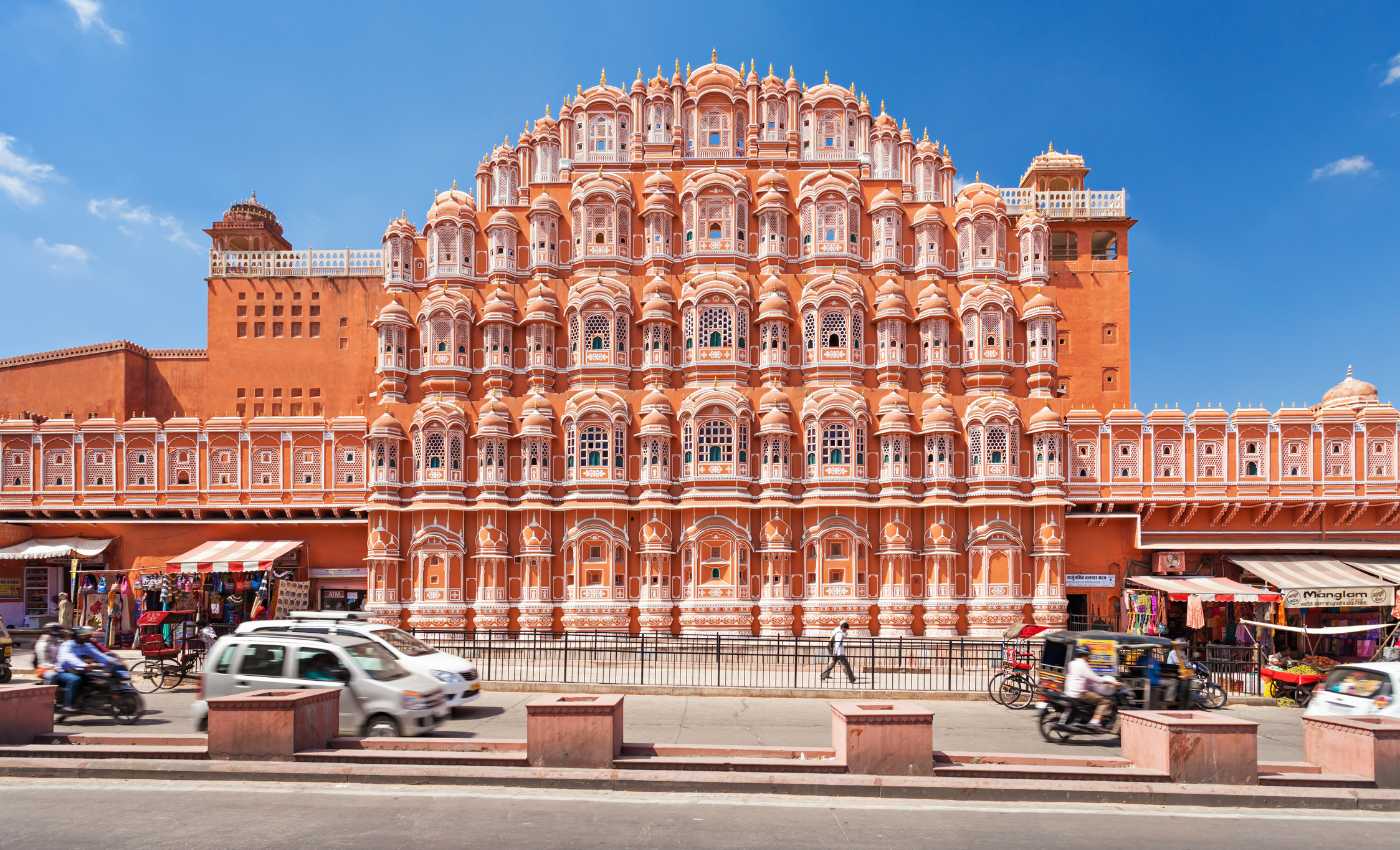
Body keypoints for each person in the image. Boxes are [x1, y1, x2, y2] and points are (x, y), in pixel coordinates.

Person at [56, 626, 119, 712]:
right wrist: (83, 665)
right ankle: (68, 706)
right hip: (64, 671)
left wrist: (113, 661)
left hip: (80, 671)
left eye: (87, 636)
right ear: (76, 636)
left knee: (100, 679)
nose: (86, 638)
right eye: (83, 636)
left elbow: (98, 655)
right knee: (75, 680)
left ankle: (96, 702)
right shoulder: (67, 645)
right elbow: (69, 657)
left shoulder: (86, 645)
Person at [1063, 645, 1118, 727]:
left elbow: (1080, 678)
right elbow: (1097, 679)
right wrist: (1112, 682)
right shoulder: (1083, 665)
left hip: (1068, 692)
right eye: (1089, 656)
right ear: (1085, 655)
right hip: (1079, 694)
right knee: (1104, 701)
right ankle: (1094, 722)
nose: (1089, 658)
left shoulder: (1072, 663)